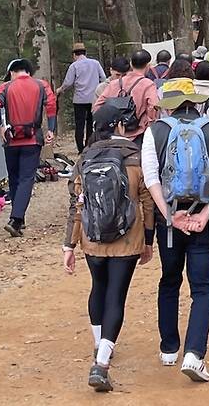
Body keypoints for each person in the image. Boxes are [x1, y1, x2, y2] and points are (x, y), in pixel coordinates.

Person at [141, 78, 209, 383]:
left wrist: (168, 214)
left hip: (170, 218)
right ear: (197, 100)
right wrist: (208, 212)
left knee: (169, 280)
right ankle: (194, 354)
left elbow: (150, 176)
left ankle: (169, 348)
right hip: (203, 219)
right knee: (202, 287)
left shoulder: (155, 131)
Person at [62, 103, 154, 393]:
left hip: (92, 236)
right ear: (119, 126)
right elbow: (148, 203)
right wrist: (148, 240)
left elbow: (76, 205)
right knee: (116, 294)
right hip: (127, 238)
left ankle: (100, 344)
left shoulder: (84, 158)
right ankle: (101, 363)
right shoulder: (134, 157)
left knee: (98, 288)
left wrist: (69, 244)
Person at [0, 58, 57, 237]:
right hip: (32, 139)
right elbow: (51, 105)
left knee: (13, 177)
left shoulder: (6, 87)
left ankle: (18, 217)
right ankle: (17, 219)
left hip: (11, 139)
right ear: (28, 71)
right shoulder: (41, 85)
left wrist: (0, 126)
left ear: (13, 71)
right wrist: (51, 129)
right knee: (26, 178)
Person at [94, 50, 159, 145]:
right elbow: (153, 106)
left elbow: (97, 106)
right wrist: (149, 124)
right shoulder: (148, 84)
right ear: (148, 66)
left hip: (114, 134)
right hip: (138, 134)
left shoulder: (114, 84)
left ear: (131, 64)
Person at [56, 43, 106, 153]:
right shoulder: (95, 63)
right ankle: (89, 146)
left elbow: (68, 83)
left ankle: (80, 148)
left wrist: (60, 89)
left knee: (79, 124)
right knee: (91, 123)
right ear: (85, 53)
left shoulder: (74, 66)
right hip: (94, 99)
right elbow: (103, 78)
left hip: (79, 100)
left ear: (74, 55)